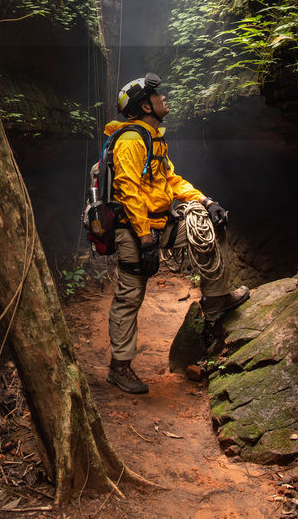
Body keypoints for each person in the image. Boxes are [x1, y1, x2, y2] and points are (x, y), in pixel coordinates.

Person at [104, 72, 250, 394]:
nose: (164, 99)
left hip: (161, 223)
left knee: (212, 224)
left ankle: (215, 300)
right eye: (158, 96)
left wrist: (204, 200)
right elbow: (127, 192)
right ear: (145, 106)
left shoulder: (153, 138)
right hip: (134, 228)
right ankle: (119, 367)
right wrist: (144, 240)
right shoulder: (130, 141)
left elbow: (171, 180)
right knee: (130, 296)